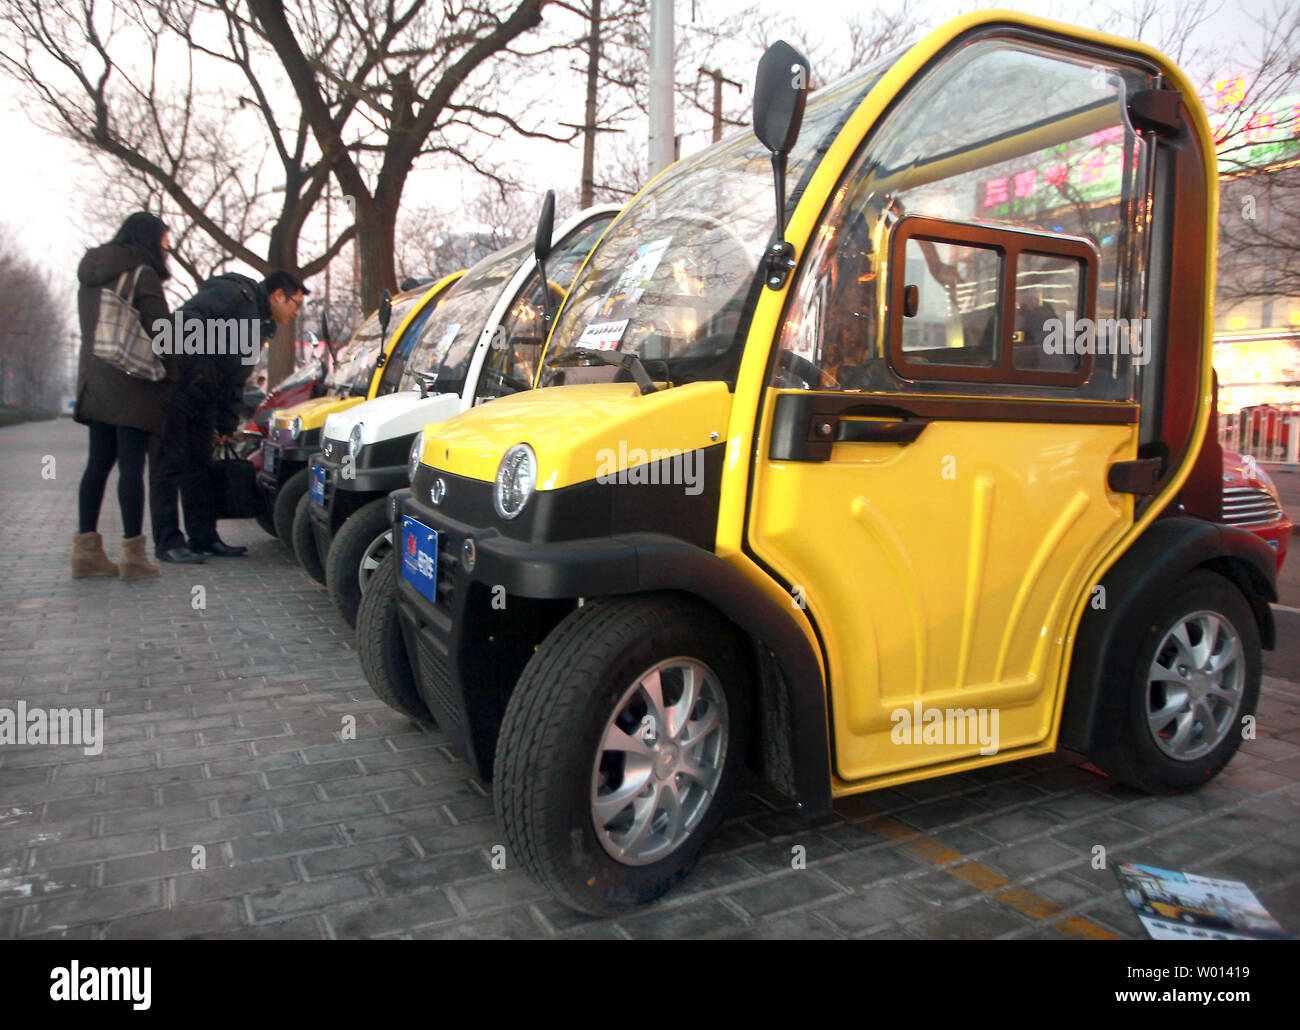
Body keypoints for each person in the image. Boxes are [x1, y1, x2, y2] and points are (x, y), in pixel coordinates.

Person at [152, 269, 307, 561]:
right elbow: (182, 322)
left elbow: (235, 375)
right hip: (177, 389)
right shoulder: (236, 294)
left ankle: (204, 538)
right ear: (277, 296)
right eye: (295, 304)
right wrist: (196, 372)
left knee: (199, 465)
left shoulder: (258, 321)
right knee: (168, 465)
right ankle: (168, 542)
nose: (296, 313)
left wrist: (224, 420)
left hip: (204, 396)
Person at [72, 211, 174, 581]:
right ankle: (133, 557)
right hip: (132, 381)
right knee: (132, 466)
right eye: (164, 240)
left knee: (97, 463)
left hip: (95, 379)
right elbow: (163, 333)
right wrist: (173, 375)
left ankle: (85, 554)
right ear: (149, 238)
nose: (167, 247)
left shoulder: (91, 271)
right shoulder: (141, 274)